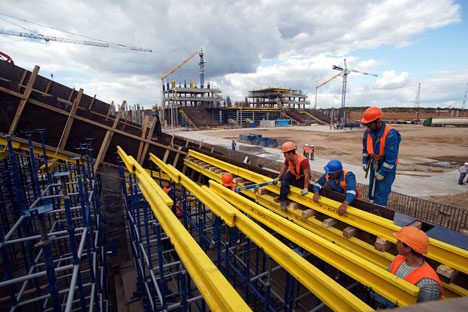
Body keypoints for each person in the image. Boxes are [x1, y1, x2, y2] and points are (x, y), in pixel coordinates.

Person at [390, 226, 442, 303]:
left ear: (408, 248)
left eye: (398, 241)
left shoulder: (428, 284)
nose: (396, 243)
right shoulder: (398, 259)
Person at [361, 107, 401, 206]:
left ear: (378, 122)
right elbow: (365, 149)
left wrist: (383, 171)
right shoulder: (368, 132)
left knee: (382, 190)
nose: (368, 127)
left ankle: (378, 211)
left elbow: (391, 158)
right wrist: (365, 161)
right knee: (372, 188)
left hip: (387, 166)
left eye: (369, 125)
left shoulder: (391, 134)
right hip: (375, 162)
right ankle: (371, 206)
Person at [274, 142, 310, 211]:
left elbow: (307, 175)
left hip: (303, 175)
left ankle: (301, 203)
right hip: (294, 173)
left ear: (290, 153)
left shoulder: (303, 161)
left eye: (285, 154)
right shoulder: (287, 159)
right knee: (284, 180)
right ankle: (283, 200)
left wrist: (306, 188)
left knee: (300, 186)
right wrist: (278, 178)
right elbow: (284, 168)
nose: (284, 156)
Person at [210, 173, 240, 248]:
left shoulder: (234, 188)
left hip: (230, 210)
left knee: (231, 226)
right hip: (221, 209)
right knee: (218, 225)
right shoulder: (221, 187)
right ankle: (214, 240)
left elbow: (237, 202)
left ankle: (235, 241)